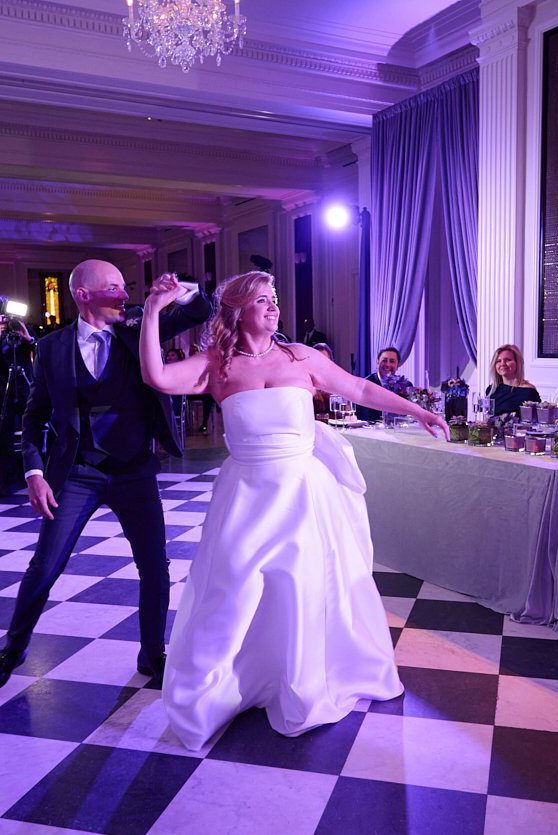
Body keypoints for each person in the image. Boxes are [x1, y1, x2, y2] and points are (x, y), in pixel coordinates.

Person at [138, 271, 448, 750]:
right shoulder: (217, 365)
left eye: (275, 298)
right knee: (233, 591)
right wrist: (155, 312)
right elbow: (156, 376)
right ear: (239, 310)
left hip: (304, 494)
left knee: (303, 590)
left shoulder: (301, 357)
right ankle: (229, 683)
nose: (274, 306)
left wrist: (418, 411)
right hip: (246, 496)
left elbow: (361, 391)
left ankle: (300, 679)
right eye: (262, 300)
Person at [0, 260, 211, 694]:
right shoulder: (49, 348)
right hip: (77, 471)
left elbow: (197, 312)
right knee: (44, 566)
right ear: (83, 295)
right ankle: (13, 649)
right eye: (114, 288)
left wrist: (181, 288)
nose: (125, 295)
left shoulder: (139, 329)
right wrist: (33, 471)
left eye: (125, 287)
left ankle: (151, 654)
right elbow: (35, 415)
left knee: (154, 567)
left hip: (134, 470)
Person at [0, 298, 37, 496]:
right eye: (2, 315)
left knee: (36, 429)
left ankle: (42, 478)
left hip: (24, 384)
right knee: (4, 436)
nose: (7, 318)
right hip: (3, 387)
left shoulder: (23, 328)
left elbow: (41, 353)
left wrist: (28, 337)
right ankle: (6, 483)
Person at [355, 347, 412, 422]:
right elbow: (363, 417)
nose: (388, 364)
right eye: (384, 361)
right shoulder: (366, 385)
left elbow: (410, 413)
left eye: (392, 361)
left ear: (397, 365)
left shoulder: (406, 385)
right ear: (377, 363)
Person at [485, 344, 539, 417]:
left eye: (508, 360)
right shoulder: (491, 390)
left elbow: (535, 421)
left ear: (517, 363)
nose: (503, 364)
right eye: (498, 361)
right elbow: (487, 417)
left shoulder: (528, 391)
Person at [311, 342, 335, 418]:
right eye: (317, 360)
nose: (320, 364)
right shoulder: (306, 382)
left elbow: (346, 410)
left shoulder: (335, 383)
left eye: (324, 360)